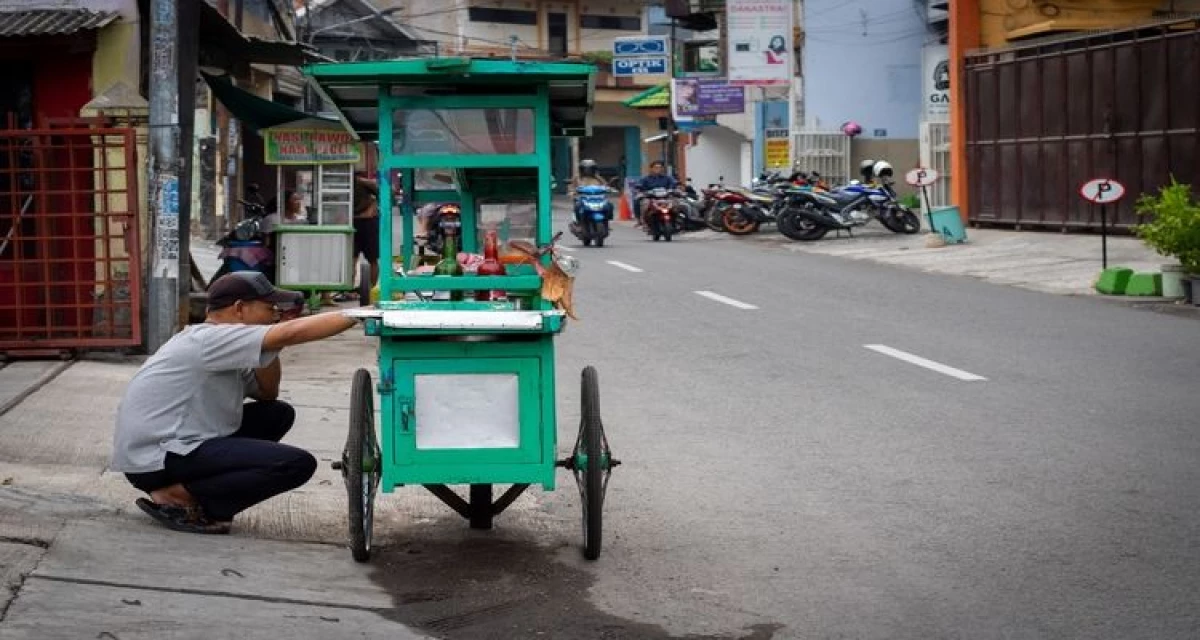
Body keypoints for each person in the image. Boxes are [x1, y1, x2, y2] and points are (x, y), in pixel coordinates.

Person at [111, 271, 360, 534]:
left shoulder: (225, 344)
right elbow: (290, 333)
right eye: (269, 308)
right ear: (240, 308)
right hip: (156, 457)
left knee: (277, 414)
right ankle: (181, 497)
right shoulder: (209, 339)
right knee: (296, 464)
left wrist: (269, 344)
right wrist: (363, 313)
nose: (274, 315)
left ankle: (194, 492)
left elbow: (267, 393)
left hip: (175, 447)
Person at [352, 170, 380, 291]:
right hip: (354, 221)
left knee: (371, 258)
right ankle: (350, 287)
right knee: (351, 258)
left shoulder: (362, 183)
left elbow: (387, 191)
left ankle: (371, 288)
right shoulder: (344, 184)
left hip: (367, 222)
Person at [634, 160, 678, 225]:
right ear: (651, 169)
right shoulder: (645, 178)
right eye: (656, 167)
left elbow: (673, 183)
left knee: (676, 203)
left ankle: (676, 221)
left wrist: (672, 188)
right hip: (650, 197)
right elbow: (639, 185)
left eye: (660, 167)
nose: (658, 169)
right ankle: (641, 220)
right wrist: (641, 189)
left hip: (666, 197)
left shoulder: (667, 178)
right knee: (638, 200)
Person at [573, 159, 612, 224]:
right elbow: (572, 187)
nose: (588, 171)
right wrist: (573, 191)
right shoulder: (577, 178)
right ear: (582, 170)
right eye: (586, 169)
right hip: (583, 198)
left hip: (597, 198)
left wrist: (608, 189)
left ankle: (606, 220)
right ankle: (578, 221)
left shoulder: (598, 178)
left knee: (609, 205)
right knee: (577, 206)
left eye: (590, 169)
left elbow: (605, 185)